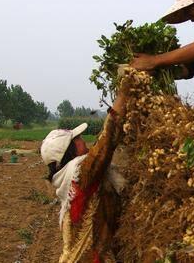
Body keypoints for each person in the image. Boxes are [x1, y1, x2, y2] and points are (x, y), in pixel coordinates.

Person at [40, 82, 130, 262]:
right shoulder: (81, 172)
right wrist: (125, 90)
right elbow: (107, 141)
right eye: (79, 139)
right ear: (70, 151)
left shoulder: (67, 180)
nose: (84, 142)